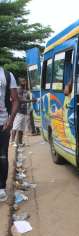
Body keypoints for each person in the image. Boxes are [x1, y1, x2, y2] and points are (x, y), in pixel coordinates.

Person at [0, 66, 19, 201]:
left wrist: (11, 120)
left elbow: (16, 100)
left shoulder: (7, 75)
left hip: (3, 123)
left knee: (2, 156)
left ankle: (1, 187)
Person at [11, 78, 34, 146]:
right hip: (18, 111)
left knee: (21, 128)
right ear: (20, 82)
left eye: (25, 81)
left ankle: (20, 142)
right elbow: (20, 100)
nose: (25, 82)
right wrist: (31, 100)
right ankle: (12, 141)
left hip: (24, 111)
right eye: (23, 81)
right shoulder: (18, 89)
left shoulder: (25, 90)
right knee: (16, 126)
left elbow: (27, 98)